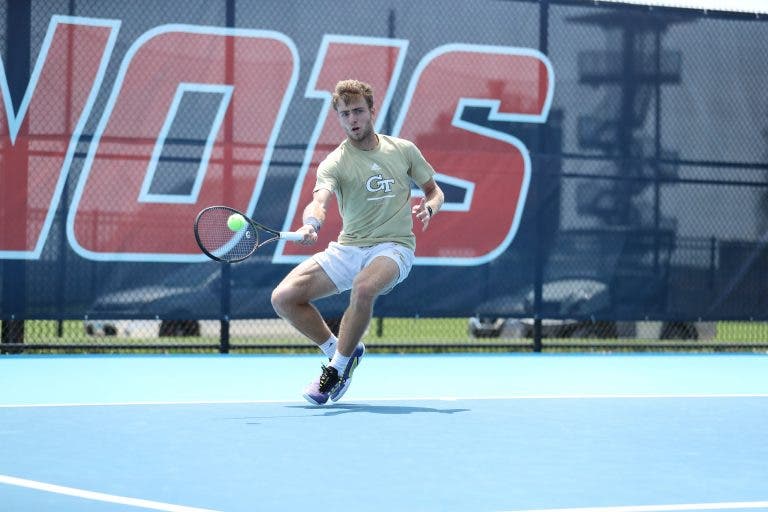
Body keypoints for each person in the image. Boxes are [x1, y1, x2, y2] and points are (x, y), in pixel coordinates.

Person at [271, 79, 444, 405]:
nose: (352, 119)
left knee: (364, 287)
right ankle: (341, 350)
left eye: (358, 111)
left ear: (371, 111)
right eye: (345, 113)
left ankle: (335, 369)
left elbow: (433, 190)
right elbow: (319, 199)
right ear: (338, 117)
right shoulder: (334, 162)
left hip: (394, 247)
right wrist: (312, 221)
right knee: (283, 298)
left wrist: (431, 206)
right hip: (348, 247)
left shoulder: (403, 150)